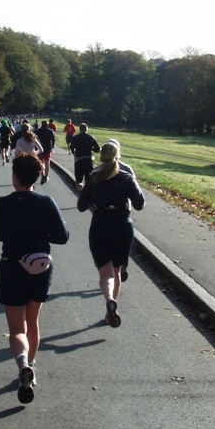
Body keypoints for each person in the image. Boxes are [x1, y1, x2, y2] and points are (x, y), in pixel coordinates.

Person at [0, 154, 69, 404]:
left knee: (16, 329)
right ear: (37, 177)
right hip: (40, 266)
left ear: (15, 177)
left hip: (11, 266)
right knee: (32, 321)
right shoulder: (47, 202)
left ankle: (22, 363)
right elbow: (62, 237)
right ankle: (31, 367)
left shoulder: (3, 203)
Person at [77, 142, 144, 328]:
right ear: (118, 155)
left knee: (106, 273)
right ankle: (112, 305)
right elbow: (139, 203)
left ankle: (109, 301)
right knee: (117, 271)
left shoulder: (93, 177)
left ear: (101, 156)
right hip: (123, 226)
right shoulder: (127, 177)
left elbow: (81, 206)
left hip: (100, 225)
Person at [107, 138, 136, 283]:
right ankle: (122, 265)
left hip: (104, 214)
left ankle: (110, 270)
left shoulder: (98, 170)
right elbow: (136, 193)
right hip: (124, 212)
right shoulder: (127, 169)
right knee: (126, 241)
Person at [69, 123, 100, 191]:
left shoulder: (76, 137)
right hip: (88, 160)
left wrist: (74, 152)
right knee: (88, 179)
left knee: (78, 180)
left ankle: (79, 191)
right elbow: (97, 149)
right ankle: (87, 193)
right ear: (87, 129)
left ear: (80, 129)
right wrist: (91, 148)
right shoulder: (91, 138)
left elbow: (71, 147)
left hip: (79, 160)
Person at [35, 120, 56, 184]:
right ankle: (46, 176)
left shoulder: (38, 131)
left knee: (41, 163)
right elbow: (53, 139)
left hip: (40, 148)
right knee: (47, 163)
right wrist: (53, 145)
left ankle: (42, 175)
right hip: (48, 148)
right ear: (47, 124)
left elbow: (34, 137)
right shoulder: (50, 131)